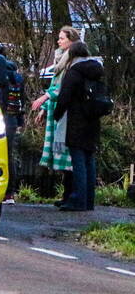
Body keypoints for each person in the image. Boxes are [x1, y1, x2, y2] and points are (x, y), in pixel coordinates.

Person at [32, 26, 81, 205]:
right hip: (55, 109)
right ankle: (66, 195)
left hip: (66, 113)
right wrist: (45, 108)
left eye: (62, 38)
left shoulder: (72, 61)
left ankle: (71, 195)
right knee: (63, 155)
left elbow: (61, 87)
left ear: (71, 40)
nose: (59, 41)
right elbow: (54, 83)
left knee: (68, 155)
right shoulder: (60, 59)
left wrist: (45, 97)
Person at [53, 42, 104, 211]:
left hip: (76, 121)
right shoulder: (97, 70)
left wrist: (57, 114)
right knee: (89, 160)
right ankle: (89, 200)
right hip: (93, 120)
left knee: (78, 162)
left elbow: (64, 97)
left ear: (72, 55)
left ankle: (78, 200)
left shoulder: (74, 72)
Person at [0, 43, 25, 205]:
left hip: (0, 118)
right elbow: (21, 100)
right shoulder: (18, 76)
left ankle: (1, 190)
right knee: (9, 154)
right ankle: (10, 193)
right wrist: (20, 121)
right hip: (13, 119)